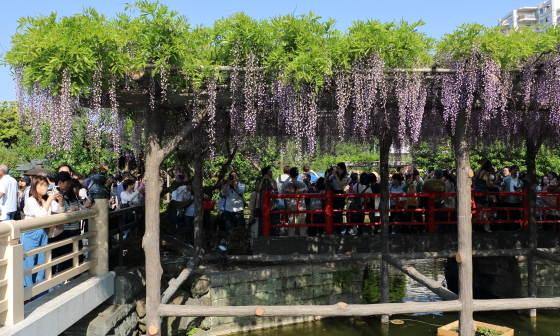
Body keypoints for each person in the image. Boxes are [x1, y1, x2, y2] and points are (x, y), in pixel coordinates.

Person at [22, 176, 63, 287]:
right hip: (31, 233)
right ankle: (28, 291)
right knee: (29, 263)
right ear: (34, 186)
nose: (45, 188)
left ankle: (39, 289)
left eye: (46, 185)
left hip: (43, 232)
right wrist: (49, 200)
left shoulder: (45, 199)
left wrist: (60, 200)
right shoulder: (30, 200)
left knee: (41, 261)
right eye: (42, 185)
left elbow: (59, 210)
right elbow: (40, 216)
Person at [473, 160, 501, 232]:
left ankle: (477, 225)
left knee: (478, 209)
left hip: (476, 192)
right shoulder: (486, 173)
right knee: (486, 209)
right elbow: (488, 184)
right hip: (482, 192)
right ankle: (483, 225)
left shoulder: (478, 171)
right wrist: (497, 187)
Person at [281, 167, 308, 237]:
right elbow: (306, 192)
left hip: (290, 205)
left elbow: (282, 194)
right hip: (301, 205)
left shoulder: (286, 184)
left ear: (290, 174)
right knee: (302, 225)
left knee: (291, 225)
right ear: (297, 175)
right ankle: (303, 239)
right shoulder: (302, 184)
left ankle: (291, 239)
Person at [327, 163, 351, 235]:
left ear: (343, 169)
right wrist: (327, 175)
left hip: (340, 195)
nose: (339, 170)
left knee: (339, 213)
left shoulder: (347, 178)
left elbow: (340, 185)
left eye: (340, 169)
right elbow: (325, 182)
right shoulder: (332, 176)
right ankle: (332, 230)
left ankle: (338, 230)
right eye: (337, 169)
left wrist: (336, 176)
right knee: (332, 214)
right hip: (332, 194)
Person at [501, 165, 522, 231]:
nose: (516, 171)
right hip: (507, 200)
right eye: (514, 170)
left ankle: (516, 229)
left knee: (516, 216)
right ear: (511, 171)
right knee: (506, 216)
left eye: (517, 170)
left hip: (516, 201)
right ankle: (507, 230)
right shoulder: (506, 179)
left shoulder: (520, 180)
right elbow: (502, 188)